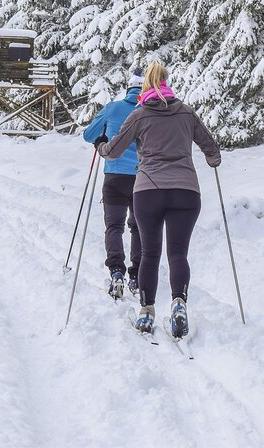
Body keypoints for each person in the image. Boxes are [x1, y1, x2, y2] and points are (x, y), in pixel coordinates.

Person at [96, 60, 221, 339]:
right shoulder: (187, 113)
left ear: (145, 86)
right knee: (178, 254)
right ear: (167, 82)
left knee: (150, 253)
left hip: (148, 191)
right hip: (186, 191)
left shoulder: (139, 115)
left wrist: (101, 147)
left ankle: (146, 311)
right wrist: (213, 160)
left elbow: (114, 150)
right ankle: (179, 303)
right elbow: (210, 146)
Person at [82, 69, 144, 299]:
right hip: (142, 178)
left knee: (114, 227)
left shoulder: (113, 108)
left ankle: (116, 271)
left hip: (115, 176)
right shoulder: (148, 110)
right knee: (138, 227)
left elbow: (89, 135)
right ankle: (136, 275)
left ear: (128, 89)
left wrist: (102, 139)